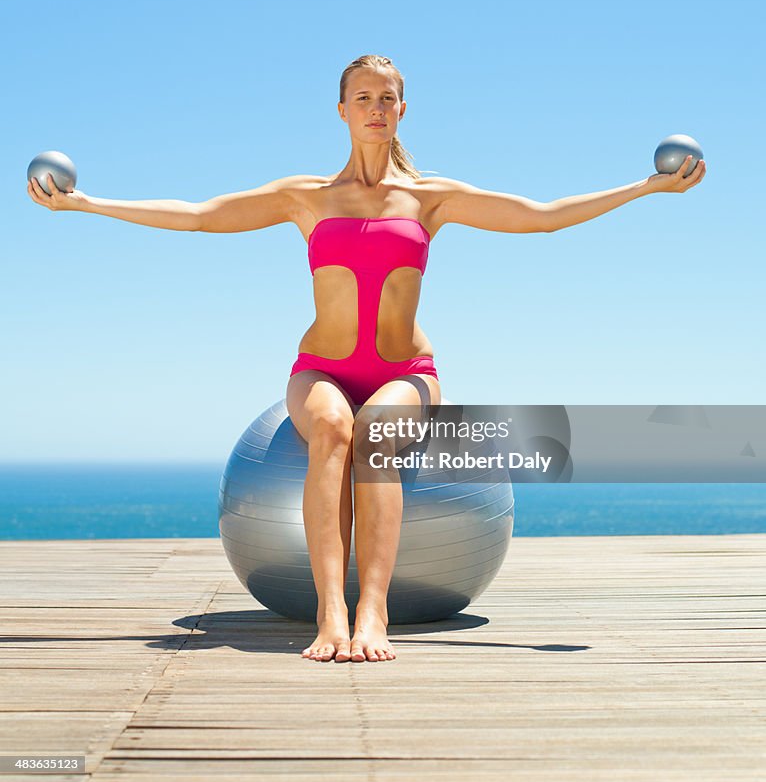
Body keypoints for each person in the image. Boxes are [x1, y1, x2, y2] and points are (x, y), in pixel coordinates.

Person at [28, 52, 706, 664]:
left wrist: (645, 188)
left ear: (402, 109)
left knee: (376, 436)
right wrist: (89, 204)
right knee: (331, 430)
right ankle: (330, 611)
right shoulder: (307, 197)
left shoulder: (431, 197)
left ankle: (373, 609)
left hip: (407, 373)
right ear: (342, 109)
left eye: (388, 99)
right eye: (364, 98)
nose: (376, 110)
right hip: (321, 369)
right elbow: (201, 215)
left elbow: (545, 214)